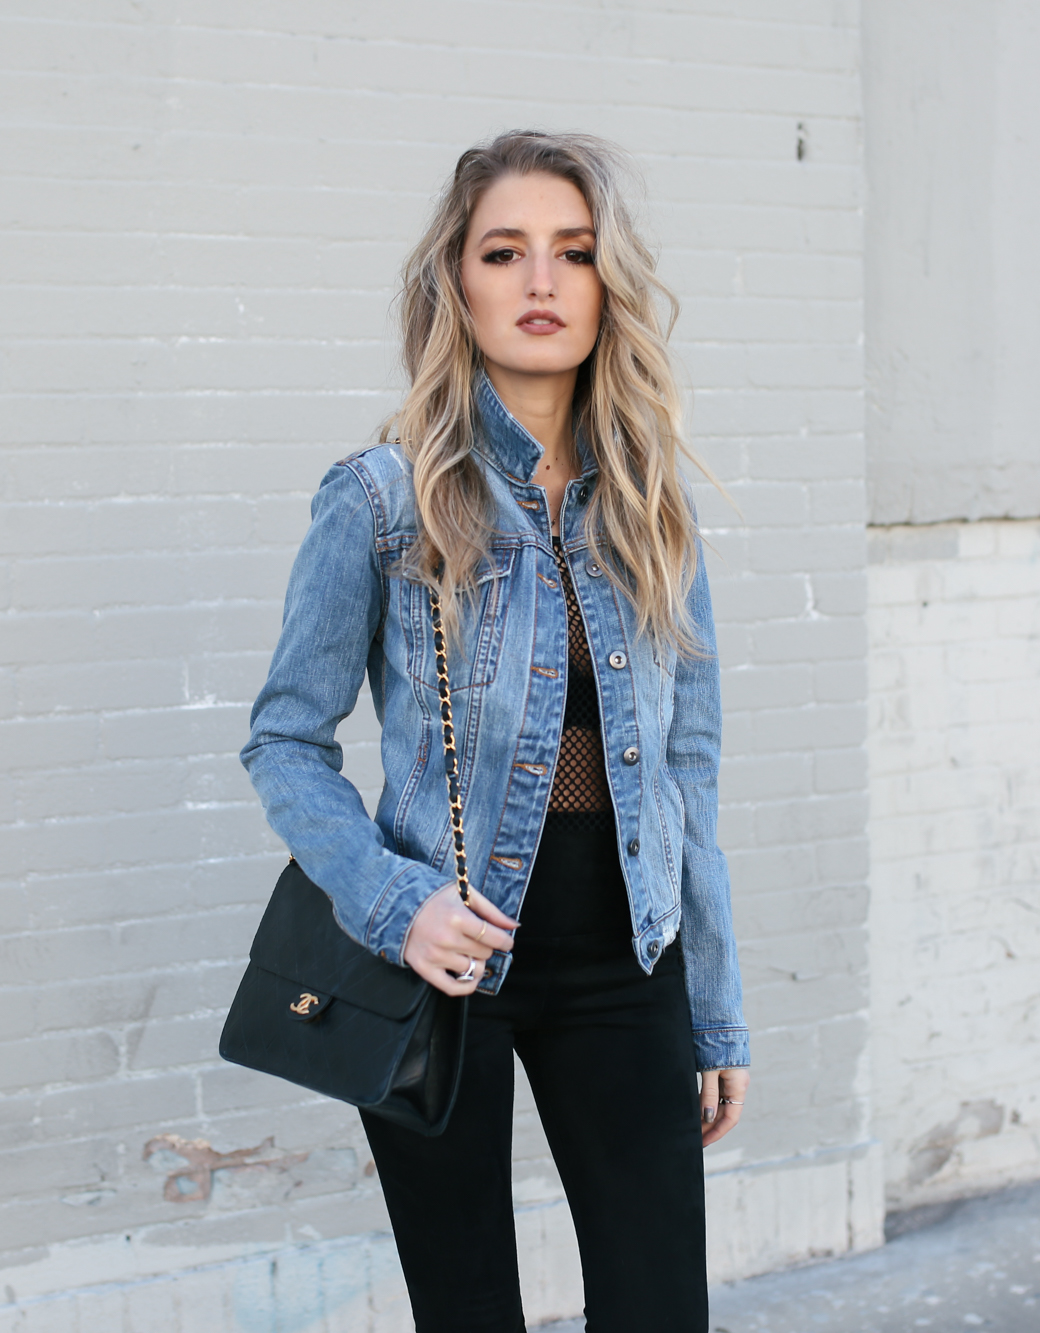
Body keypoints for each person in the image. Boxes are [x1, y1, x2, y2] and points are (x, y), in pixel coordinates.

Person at [241, 129, 748, 1333]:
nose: (538, 281)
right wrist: (389, 901)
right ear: (455, 284)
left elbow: (690, 768)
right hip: (442, 962)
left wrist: (713, 1003)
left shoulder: (649, 503)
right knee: (468, 1314)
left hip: (627, 960)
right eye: (504, 251)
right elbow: (283, 739)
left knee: (658, 1306)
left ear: (605, 284)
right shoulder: (381, 495)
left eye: (572, 253)